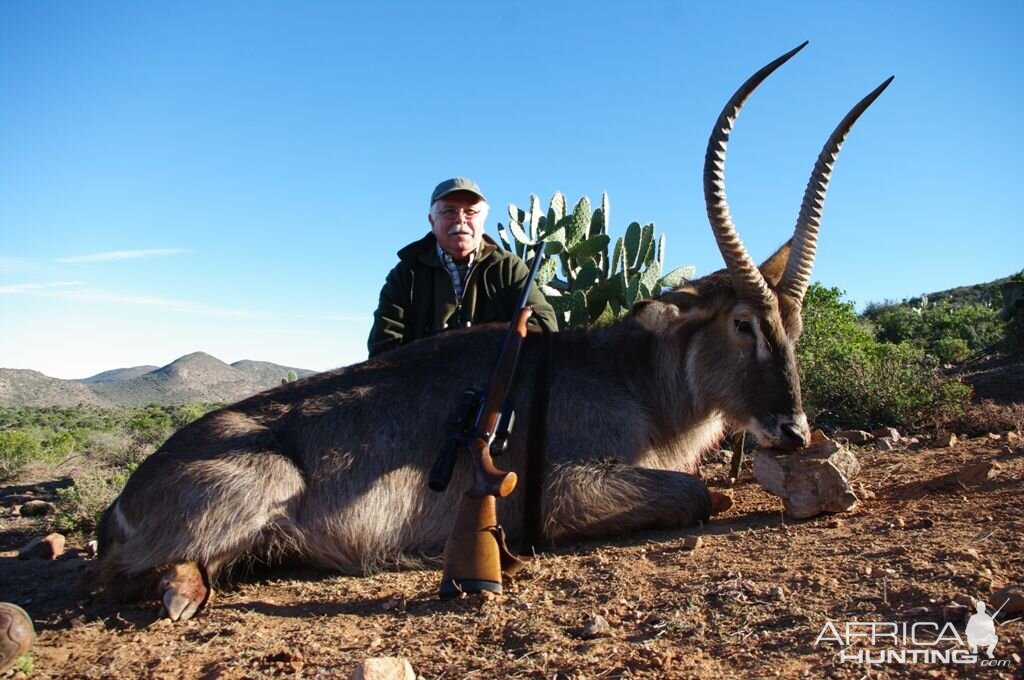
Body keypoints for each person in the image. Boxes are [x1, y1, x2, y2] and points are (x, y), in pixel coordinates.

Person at [368, 177, 558, 357]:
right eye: (449, 211)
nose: (461, 219)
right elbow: (384, 346)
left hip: (492, 382)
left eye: (471, 212)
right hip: (422, 384)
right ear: (432, 221)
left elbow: (545, 326)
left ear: (483, 220)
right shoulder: (406, 273)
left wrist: (478, 354)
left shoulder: (508, 267)